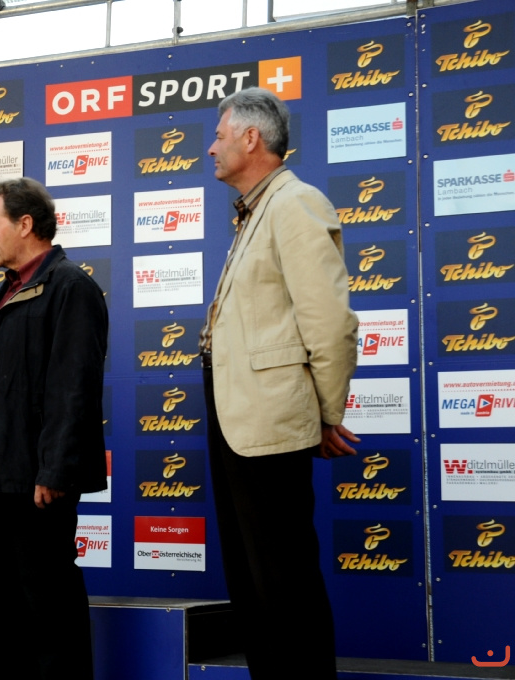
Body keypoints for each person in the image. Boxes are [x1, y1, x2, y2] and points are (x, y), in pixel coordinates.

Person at [200, 87, 360, 679]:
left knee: (283, 584)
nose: (210, 147)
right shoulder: (256, 210)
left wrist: (323, 414)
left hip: (268, 424)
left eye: (220, 135)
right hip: (241, 421)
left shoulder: (295, 203)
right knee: (253, 585)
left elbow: (331, 323)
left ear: (251, 138)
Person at [0, 177, 108, 680]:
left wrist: (55, 470)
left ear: (25, 224)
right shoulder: (5, 289)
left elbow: (74, 388)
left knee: (48, 614)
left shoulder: (70, 287)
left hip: (34, 484)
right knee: (2, 617)